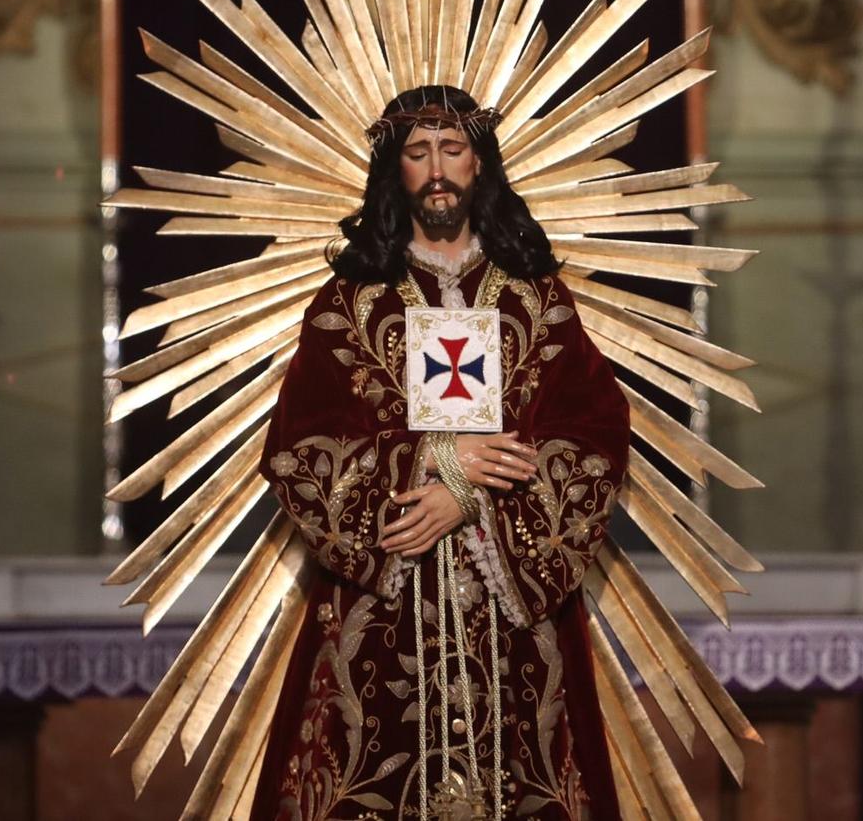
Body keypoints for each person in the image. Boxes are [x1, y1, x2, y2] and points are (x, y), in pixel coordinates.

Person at [253, 84, 630, 821]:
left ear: (480, 165)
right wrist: (429, 457)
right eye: (416, 152)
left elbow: (596, 434)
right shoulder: (350, 302)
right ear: (394, 170)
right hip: (384, 619)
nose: (435, 170)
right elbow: (300, 449)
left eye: (452, 150)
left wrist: (468, 492)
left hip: (512, 615)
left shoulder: (534, 298)